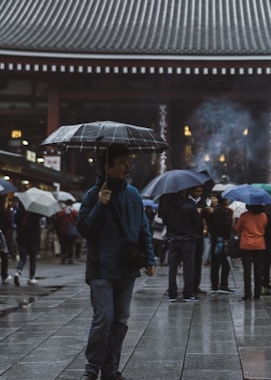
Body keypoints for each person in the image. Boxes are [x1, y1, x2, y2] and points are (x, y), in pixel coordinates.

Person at [77, 144, 155, 380]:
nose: (127, 166)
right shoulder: (93, 195)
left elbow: (143, 227)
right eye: (121, 162)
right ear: (107, 167)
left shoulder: (133, 194)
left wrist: (149, 257)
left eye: (128, 161)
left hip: (127, 267)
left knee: (120, 320)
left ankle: (111, 369)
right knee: (104, 318)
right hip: (101, 268)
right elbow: (85, 229)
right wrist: (100, 205)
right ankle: (92, 369)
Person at [163, 185, 202, 302]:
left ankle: (172, 294)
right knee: (188, 267)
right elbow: (197, 223)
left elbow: (165, 220)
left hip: (173, 240)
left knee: (172, 268)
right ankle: (188, 293)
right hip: (188, 240)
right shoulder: (190, 204)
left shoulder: (168, 205)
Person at [235, 203, 267, 300]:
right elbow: (265, 228)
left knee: (247, 271)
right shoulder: (263, 215)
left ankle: (247, 294)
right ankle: (257, 294)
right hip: (260, 245)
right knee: (258, 270)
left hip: (246, 246)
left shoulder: (244, 216)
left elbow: (237, 229)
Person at [204, 195, 234, 294]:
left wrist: (215, 236)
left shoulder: (212, 211)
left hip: (215, 240)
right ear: (226, 200)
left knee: (215, 263)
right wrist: (226, 237)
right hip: (224, 240)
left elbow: (209, 225)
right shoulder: (228, 211)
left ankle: (214, 285)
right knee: (225, 263)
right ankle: (224, 284)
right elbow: (228, 225)